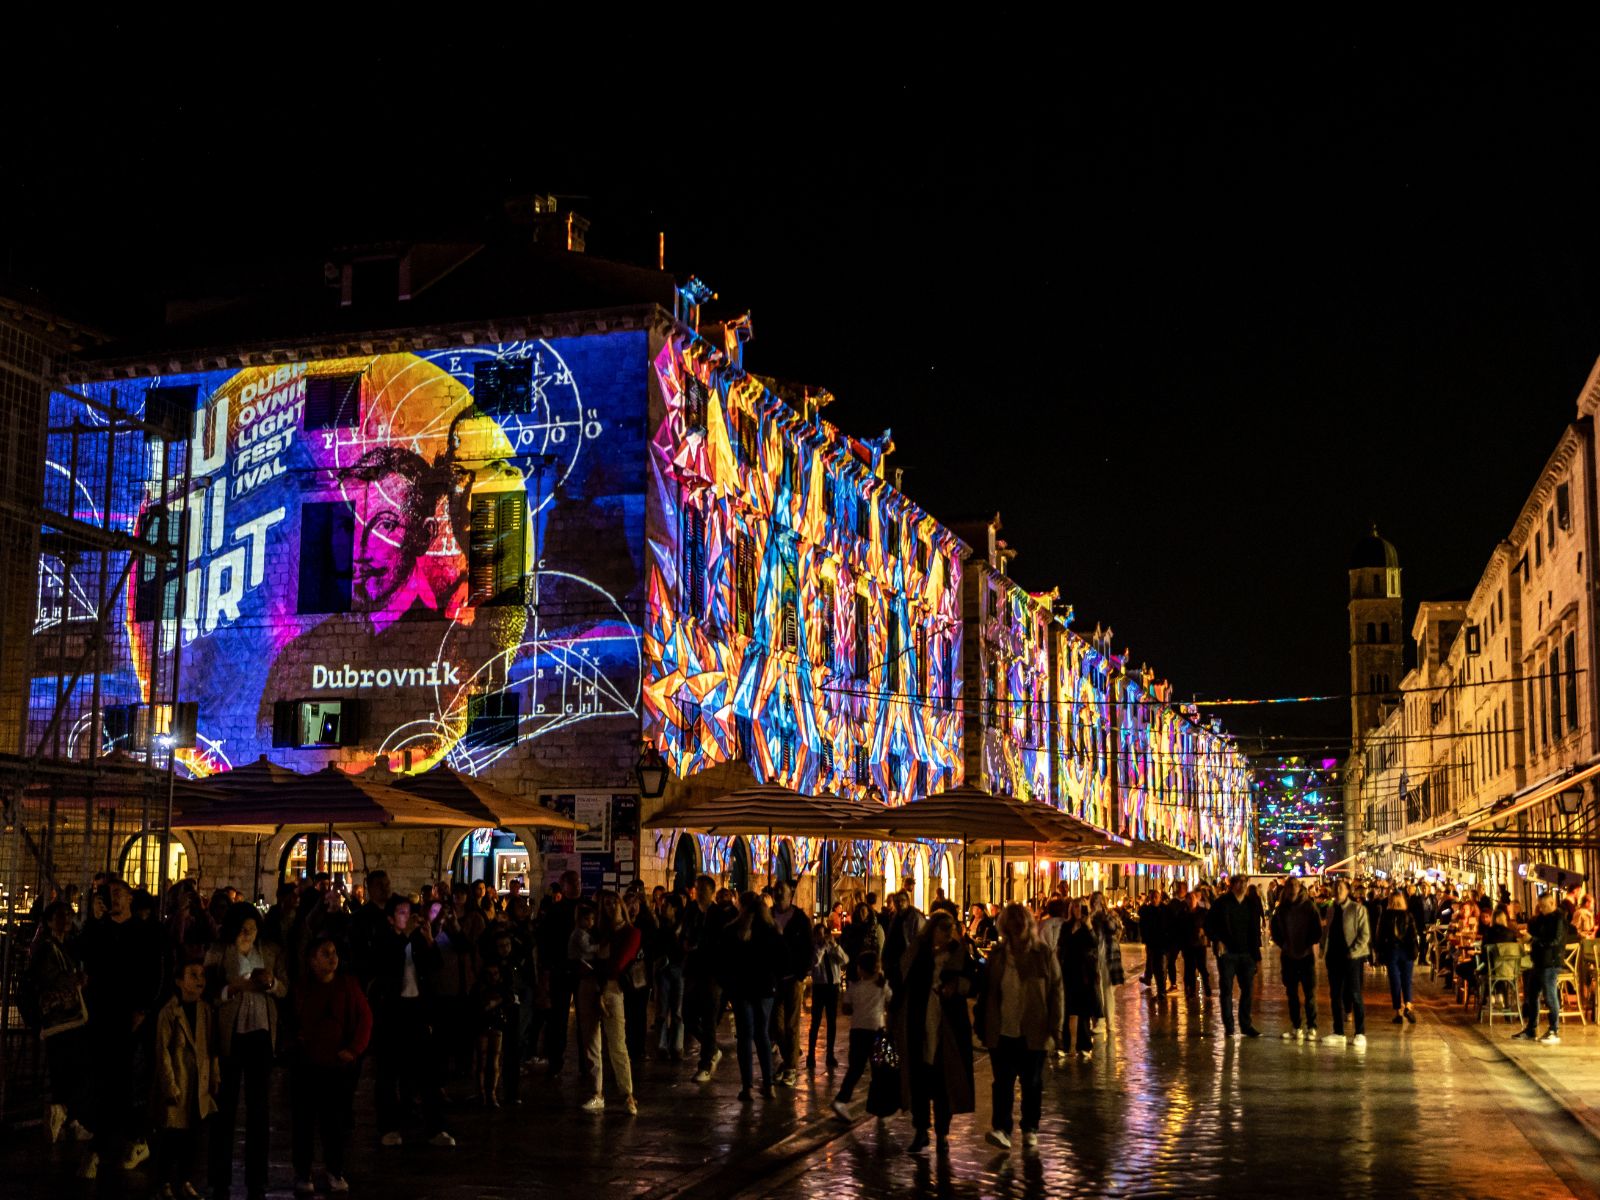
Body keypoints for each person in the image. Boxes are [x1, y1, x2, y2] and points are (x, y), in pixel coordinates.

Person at [79, 878, 165, 1180]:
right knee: (104, 1078)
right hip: (103, 1012)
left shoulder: (144, 932)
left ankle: (123, 1140)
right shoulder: (100, 930)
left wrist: (143, 1008)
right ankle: (110, 1140)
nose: (114, 899)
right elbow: (84, 955)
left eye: (118, 894)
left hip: (132, 1015)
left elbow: (154, 972)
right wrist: (94, 921)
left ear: (129, 899)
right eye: (109, 895)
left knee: (127, 1079)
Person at [208, 903, 289, 1200]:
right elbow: (208, 990)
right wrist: (232, 988)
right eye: (244, 929)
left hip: (261, 1033)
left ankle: (258, 1177)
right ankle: (219, 1176)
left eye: (253, 929)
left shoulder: (269, 951)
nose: (248, 934)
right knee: (224, 1107)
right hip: (231, 1034)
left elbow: (284, 989)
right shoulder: (220, 951)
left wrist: (271, 983)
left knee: (259, 1108)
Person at [370, 894, 454, 1148]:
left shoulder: (417, 940)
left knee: (427, 1072)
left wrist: (428, 938)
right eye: (402, 913)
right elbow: (386, 968)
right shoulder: (386, 941)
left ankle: (435, 1128)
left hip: (417, 1009)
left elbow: (435, 965)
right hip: (393, 1012)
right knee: (388, 1073)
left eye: (409, 912)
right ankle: (389, 1127)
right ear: (391, 919)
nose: (407, 917)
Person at [290, 936, 371, 1195]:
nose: (332, 958)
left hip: (336, 1065)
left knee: (333, 1122)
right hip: (307, 1064)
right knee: (304, 1121)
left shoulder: (347, 985)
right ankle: (303, 1172)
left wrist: (354, 1049)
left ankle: (335, 1169)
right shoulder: (302, 987)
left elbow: (364, 1017)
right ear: (312, 959)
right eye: (325, 954)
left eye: (334, 952)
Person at [894, 910, 977, 1154]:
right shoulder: (919, 952)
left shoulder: (959, 953)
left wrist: (957, 986)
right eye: (943, 927)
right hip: (919, 1022)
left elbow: (973, 982)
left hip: (948, 1026)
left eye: (951, 928)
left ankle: (942, 1133)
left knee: (944, 1083)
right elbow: (903, 974)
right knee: (920, 1079)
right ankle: (921, 1130)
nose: (948, 932)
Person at [982, 904, 1064, 1153]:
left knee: (1032, 1082)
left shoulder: (1042, 954)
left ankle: (1030, 1128)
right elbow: (987, 993)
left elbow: (1056, 991)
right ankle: (1002, 1129)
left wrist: (1056, 1028)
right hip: (1003, 1029)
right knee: (1003, 1083)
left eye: (1020, 924)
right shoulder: (997, 956)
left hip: (1034, 1029)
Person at [151, 958, 218, 1200]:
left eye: (201, 975)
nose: (199, 980)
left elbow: (211, 1047)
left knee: (193, 1136)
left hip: (198, 1083)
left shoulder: (205, 1010)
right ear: (179, 981)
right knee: (171, 1135)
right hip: (179, 1081)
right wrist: (170, 1085)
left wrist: (214, 1078)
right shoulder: (169, 1012)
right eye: (193, 975)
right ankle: (164, 1182)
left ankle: (185, 1180)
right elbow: (163, 1051)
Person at [31, 901, 92, 1145]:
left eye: (68, 914)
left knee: (66, 1069)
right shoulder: (48, 948)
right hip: (60, 1020)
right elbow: (48, 979)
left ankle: (65, 1116)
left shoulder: (60, 945)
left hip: (65, 1020)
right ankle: (63, 1116)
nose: (66, 919)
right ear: (48, 921)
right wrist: (74, 980)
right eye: (60, 915)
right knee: (66, 1069)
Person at [721, 890, 784, 1102]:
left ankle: (747, 1086)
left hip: (742, 989)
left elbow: (725, 962)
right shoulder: (771, 929)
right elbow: (780, 961)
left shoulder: (734, 931)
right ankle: (769, 1085)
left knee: (745, 1036)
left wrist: (728, 987)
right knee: (762, 1035)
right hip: (765, 989)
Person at [582, 890, 640, 1113]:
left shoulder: (630, 933)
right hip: (594, 987)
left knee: (617, 1043)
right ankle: (597, 1093)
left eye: (614, 902)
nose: (610, 907)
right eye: (606, 904)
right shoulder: (599, 932)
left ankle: (628, 1094)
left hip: (613, 989)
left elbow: (617, 963)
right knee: (592, 1044)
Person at [831, 949, 891, 1119]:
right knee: (880, 1070)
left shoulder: (854, 987)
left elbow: (846, 1008)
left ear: (861, 969)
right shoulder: (882, 986)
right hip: (877, 1031)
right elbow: (891, 1000)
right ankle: (879, 1105)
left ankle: (841, 1099)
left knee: (855, 1068)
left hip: (857, 1032)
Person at [683, 875, 729, 1082]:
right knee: (688, 1016)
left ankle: (705, 1065)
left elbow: (721, 942)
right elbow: (684, 932)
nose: (698, 892)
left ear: (711, 892)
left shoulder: (718, 914)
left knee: (709, 1018)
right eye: (697, 888)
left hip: (712, 972)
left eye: (702, 889)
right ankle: (712, 1049)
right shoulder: (692, 910)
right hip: (693, 970)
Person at [1206, 875, 1263, 1038]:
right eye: (1240, 882)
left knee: (1248, 990)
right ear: (1232, 885)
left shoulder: (1250, 904)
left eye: (1245, 882)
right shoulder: (1222, 903)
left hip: (1247, 954)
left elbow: (1255, 932)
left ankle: (1245, 1025)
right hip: (1228, 955)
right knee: (1227, 990)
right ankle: (1229, 1026)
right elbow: (1208, 924)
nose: (1243, 885)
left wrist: (1257, 956)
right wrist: (1217, 940)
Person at [538, 870, 582, 1078]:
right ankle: (556, 1061)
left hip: (581, 971)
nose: (576, 886)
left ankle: (585, 1064)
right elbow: (546, 944)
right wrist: (546, 974)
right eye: (572, 883)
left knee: (585, 1020)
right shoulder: (555, 912)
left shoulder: (586, 908)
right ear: (563, 886)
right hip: (560, 969)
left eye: (578, 882)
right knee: (558, 1019)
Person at [769, 880, 813, 1086]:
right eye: (776, 890)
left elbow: (808, 947)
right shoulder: (768, 915)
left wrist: (801, 973)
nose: (778, 894)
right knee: (774, 1025)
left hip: (793, 979)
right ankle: (789, 1060)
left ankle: (791, 1068)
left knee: (791, 1024)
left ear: (790, 895)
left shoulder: (800, 919)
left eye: (782, 891)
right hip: (774, 978)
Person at [1269, 877, 1321, 1040]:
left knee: (1309, 993)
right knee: (1292, 993)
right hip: (1289, 956)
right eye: (1290, 886)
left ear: (1300, 888)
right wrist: (1284, 944)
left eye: (1295, 886)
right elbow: (1275, 929)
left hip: (1305, 956)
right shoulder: (1282, 909)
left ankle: (1311, 1026)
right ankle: (1296, 1025)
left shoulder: (1309, 907)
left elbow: (1316, 929)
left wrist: (1308, 943)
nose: (1292, 889)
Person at [1322, 879, 1371, 1048]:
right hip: (1334, 958)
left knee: (1355, 994)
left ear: (1348, 890)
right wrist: (1325, 952)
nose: (1338, 891)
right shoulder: (1330, 909)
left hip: (1352, 959)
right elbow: (1327, 932)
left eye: (1341, 888)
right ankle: (1338, 1032)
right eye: (1335, 888)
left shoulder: (1357, 909)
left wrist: (1353, 952)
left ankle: (1360, 1032)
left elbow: (1364, 935)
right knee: (1335, 995)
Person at [1516, 892, 1570, 1044]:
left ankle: (1554, 1029)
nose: (1542, 909)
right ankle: (1531, 1029)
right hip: (1538, 962)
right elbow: (1534, 934)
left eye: (1545, 906)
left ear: (1552, 904)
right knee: (1532, 995)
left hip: (1551, 963)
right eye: (1540, 906)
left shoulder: (1559, 919)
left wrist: (1533, 940)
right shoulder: (1540, 919)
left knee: (1550, 996)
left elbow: (1555, 941)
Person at [1058, 900, 1103, 1056]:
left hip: (1083, 972)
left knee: (1083, 1010)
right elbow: (1061, 945)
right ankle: (1063, 1045)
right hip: (1067, 971)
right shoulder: (1066, 926)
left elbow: (1095, 943)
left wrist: (1088, 925)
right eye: (1074, 906)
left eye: (1079, 907)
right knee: (1065, 1009)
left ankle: (1084, 1045)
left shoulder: (1089, 926)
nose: (1077, 910)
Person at [808, 922, 849, 1070]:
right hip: (820, 987)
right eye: (818, 934)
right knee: (816, 1021)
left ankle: (830, 1054)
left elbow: (845, 960)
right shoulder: (814, 949)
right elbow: (814, 963)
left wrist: (834, 946)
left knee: (832, 1022)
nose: (821, 937)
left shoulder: (833, 947)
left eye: (823, 934)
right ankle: (810, 1054)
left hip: (833, 987)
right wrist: (822, 947)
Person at [1376, 892, 1421, 1026]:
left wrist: (1378, 952)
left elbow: (1379, 935)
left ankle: (1398, 1012)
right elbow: (1414, 934)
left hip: (1392, 951)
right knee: (1407, 980)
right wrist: (1416, 950)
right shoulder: (1408, 916)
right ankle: (1408, 1005)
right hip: (1407, 951)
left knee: (1395, 982)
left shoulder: (1385, 916)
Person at [653, 892, 687, 1060]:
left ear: (674, 908)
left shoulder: (683, 927)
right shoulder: (660, 926)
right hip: (664, 971)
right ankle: (661, 1046)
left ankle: (677, 1046)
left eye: (666, 905)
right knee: (661, 1010)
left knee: (678, 1011)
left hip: (679, 970)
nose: (662, 907)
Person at [841, 901, 885, 980]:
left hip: (869, 966)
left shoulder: (876, 928)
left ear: (868, 912)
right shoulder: (851, 929)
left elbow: (880, 947)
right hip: (854, 966)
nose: (860, 913)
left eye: (863, 911)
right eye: (858, 911)